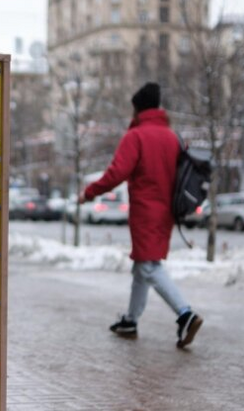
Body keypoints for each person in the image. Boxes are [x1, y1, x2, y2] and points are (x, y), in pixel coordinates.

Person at [79, 82, 203, 348]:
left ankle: (185, 315)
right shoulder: (172, 136)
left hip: (145, 212)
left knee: (149, 266)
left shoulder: (136, 136)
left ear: (136, 109)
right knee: (141, 266)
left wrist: (89, 193)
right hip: (167, 211)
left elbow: (117, 173)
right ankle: (130, 320)